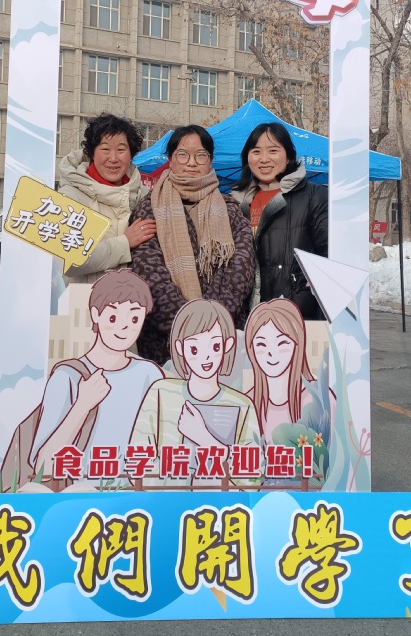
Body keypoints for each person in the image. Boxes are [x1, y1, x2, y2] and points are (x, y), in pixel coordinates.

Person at [0, 269, 163, 490]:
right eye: (113, 317)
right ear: (95, 314)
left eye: (134, 318)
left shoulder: (150, 375)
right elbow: (43, 466)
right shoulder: (67, 376)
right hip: (80, 495)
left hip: (136, 494)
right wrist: (82, 405)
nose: (124, 327)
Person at [130, 124, 255, 365]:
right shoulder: (149, 207)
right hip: (166, 342)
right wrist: (186, 327)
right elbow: (149, 272)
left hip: (221, 339)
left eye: (201, 155)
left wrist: (212, 323)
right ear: (170, 159)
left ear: (210, 160)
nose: (192, 162)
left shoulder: (229, 208)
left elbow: (241, 267)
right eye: (182, 154)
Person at [130, 299, 260, 488]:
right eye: (194, 348)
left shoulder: (242, 405)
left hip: (224, 506)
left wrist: (205, 438)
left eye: (215, 347)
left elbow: (252, 480)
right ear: (180, 348)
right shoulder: (160, 393)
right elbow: (137, 465)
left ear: (228, 345)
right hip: (166, 504)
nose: (205, 356)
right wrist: (188, 483)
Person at [231, 122, 328, 318]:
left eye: (273, 150)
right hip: (244, 318)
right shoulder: (235, 202)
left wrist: (302, 299)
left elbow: (329, 257)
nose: (264, 159)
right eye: (256, 151)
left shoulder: (315, 196)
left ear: (288, 155)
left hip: (294, 315)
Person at [57, 113, 156, 284]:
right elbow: (69, 260)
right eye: (105, 149)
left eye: (121, 150)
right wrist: (125, 243)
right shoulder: (70, 196)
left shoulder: (144, 196)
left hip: (133, 299)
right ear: (92, 153)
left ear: (131, 154)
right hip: (84, 298)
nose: (113, 158)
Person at [244, 298, 317, 442]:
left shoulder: (318, 397)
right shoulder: (247, 402)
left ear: (297, 344)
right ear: (251, 349)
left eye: (282, 342)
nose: (271, 353)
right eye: (261, 344)